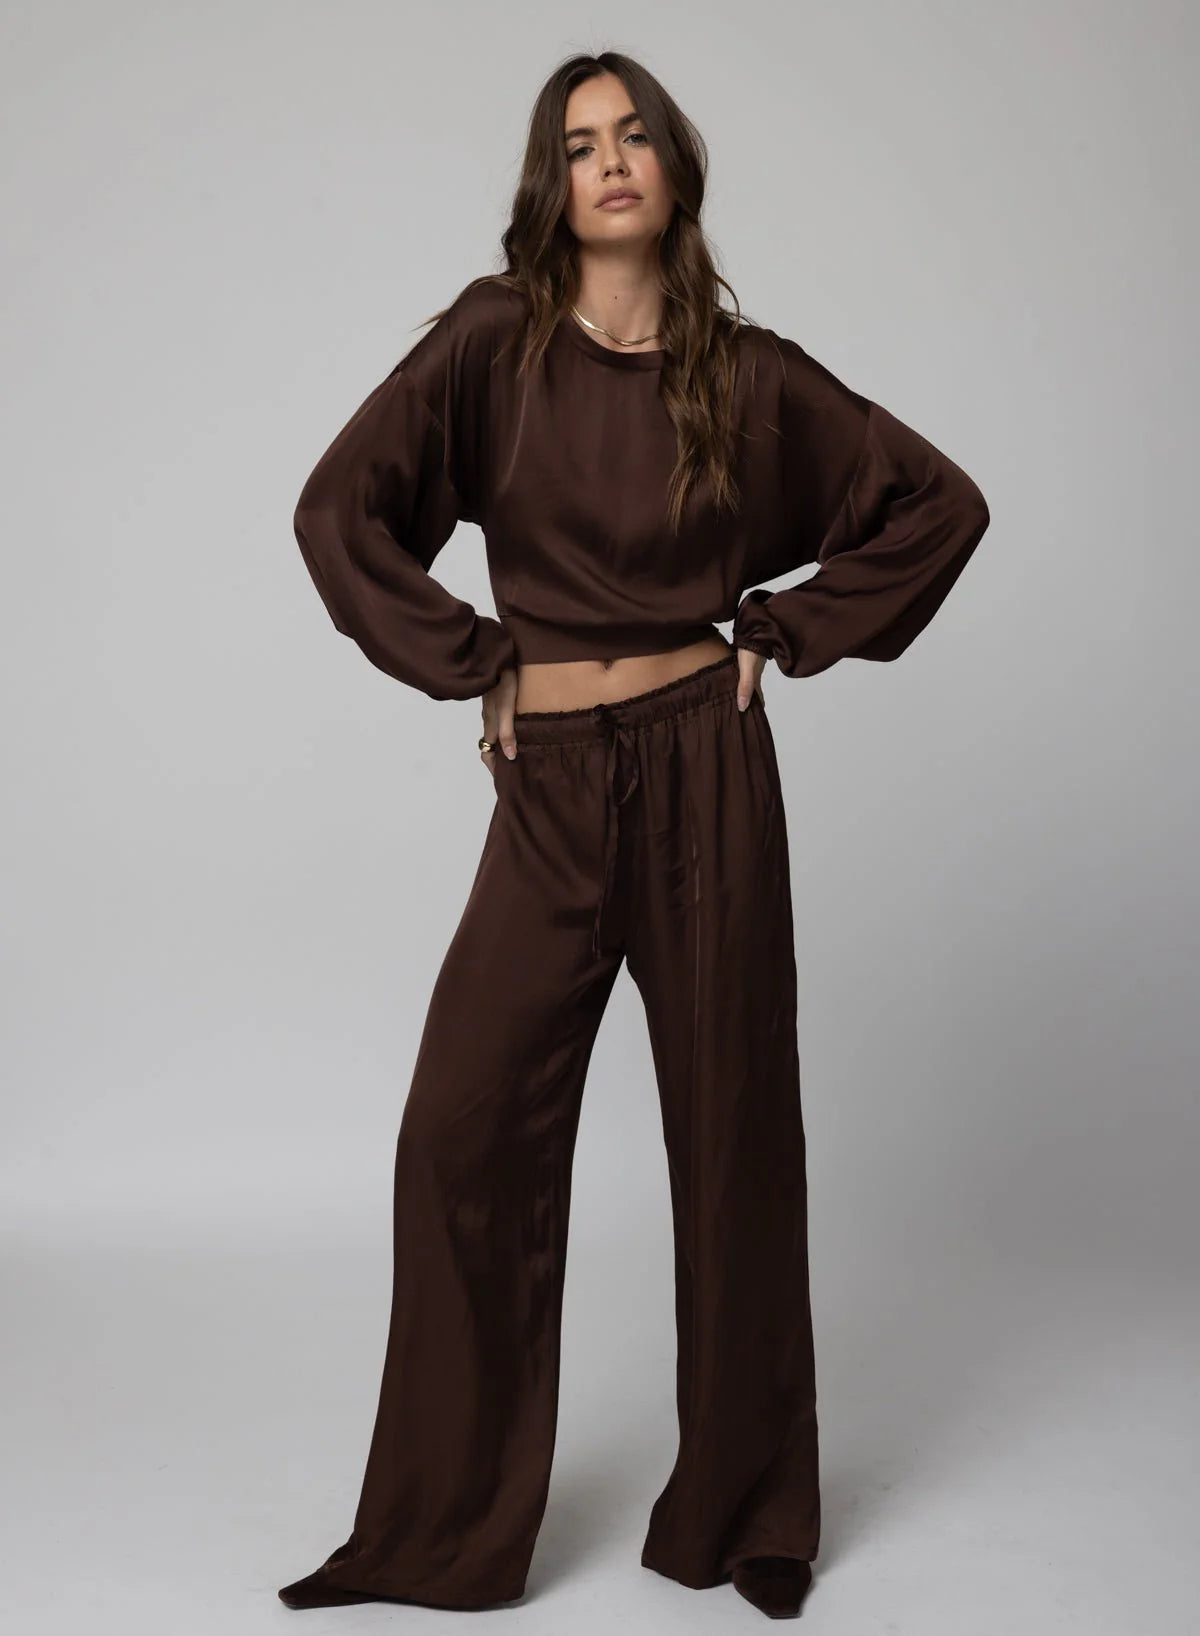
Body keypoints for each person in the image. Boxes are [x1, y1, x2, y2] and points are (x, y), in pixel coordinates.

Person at [277, 49, 989, 1623]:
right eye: (581, 141)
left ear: (675, 167)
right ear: (555, 181)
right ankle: (438, 1534)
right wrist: (473, 659)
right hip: (553, 783)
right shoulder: (492, 345)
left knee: (736, 1135)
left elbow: (939, 502)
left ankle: (753, 1514)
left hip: (705, 771)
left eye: (635, 134)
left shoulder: (749, 376)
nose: (610, 160)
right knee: (461, 1128)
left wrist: (786, 630)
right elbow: (340, 513)